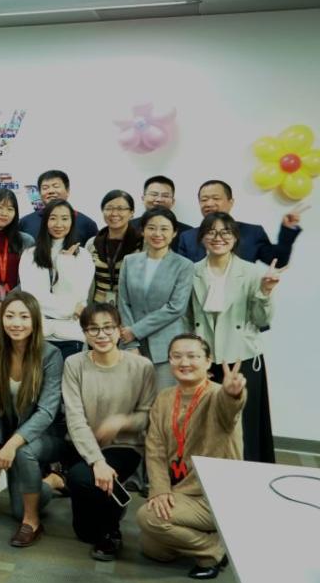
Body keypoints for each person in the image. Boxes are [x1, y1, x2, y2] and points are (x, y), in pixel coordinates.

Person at [136, 334, 247, 579]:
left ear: (208, 362)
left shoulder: (217, 395)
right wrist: (159, 489)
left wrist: (233, 394)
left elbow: (229, 410)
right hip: (181, 490)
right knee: (153, 549)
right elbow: (154, 449)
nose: (184, 362)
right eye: (176, 356)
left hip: (214, 495)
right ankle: (206, 537)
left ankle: (213, 550)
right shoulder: (165, 397)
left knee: (148, 517)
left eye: (193, 356)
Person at [61, 303, 156, 561]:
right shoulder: (74, 363)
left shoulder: (142, 366)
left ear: (119, 330)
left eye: (108, 328)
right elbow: (75, 417)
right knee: (85, 532)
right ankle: (114, 499)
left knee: (83, 477)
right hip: (84, 444)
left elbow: (147, 416)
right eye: (93, 329)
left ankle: (112, 531)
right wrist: (98, 461)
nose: (101, 335)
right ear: (84, 333)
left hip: (123, 445)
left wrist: (121, 422)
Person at [187, 212, 281, 463]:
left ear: (235, 237)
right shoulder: (191, 271)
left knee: (245, 426)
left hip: (242, 357)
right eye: (211, 232)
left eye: (225, 232)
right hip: (205, 361)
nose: (218, 238)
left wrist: (265, 291)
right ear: (202, 237)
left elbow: (262, 320)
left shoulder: (250, 272)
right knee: (206, 423)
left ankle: (249, 478)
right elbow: (186, 319)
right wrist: (193, 358)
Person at [0, 291, 68, 547]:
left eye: (23, 316)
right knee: (14, 509)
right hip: (13, 434)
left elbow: (47, 411)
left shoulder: (50, 354)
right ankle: (52, 482)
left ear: (34, 321)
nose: (16, 323)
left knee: (24, 453)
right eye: (10, 316)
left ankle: (32, 522)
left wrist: (12, 445)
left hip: (49, 434)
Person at [118, 208, 194, 390]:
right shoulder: (130, 261)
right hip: (132, 345)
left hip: (167, 347)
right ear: (143, 231)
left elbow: (176, 307)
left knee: (164, 404)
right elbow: (123, 302)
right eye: (151, 228)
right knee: (133, 404)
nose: (157, 234)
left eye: (164, 229)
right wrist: (131, 342)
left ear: (174, 233)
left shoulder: (184, 265)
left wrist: (135, 330)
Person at [19, 199, 94, 359]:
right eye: (53, 218)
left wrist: (65, 264)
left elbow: (79, 298)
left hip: (71, 335)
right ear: (45, 221)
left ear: (72, 222)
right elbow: (33, 298)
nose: (59, 224)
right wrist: (70, 310)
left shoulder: (83, 256)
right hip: (40, 333)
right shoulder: (30, 254)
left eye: (65, 218)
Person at [178, 179, 304, 265]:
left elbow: (278, 262)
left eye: (216, 198)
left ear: (230, 202)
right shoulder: (188, 237)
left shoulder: (253, 233)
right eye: (204, 199)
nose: (209, 204)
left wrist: (287, 230)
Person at [85, 190, 142, 304]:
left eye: (121, 208)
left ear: (132, 212)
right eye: (109, 208)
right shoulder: (92, 243)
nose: (114, 213)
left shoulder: (141, 244)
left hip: (128, 309)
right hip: (97, 307)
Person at [18, 170, 99, 241]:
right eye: (45, 188)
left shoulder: (87, 223)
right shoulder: (25, 222)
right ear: (39, 193)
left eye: (56, 186)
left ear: (67, 191)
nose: (51, 191)